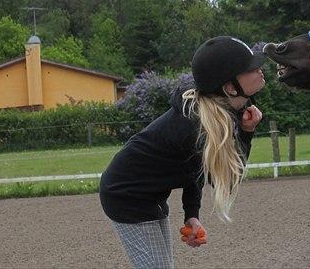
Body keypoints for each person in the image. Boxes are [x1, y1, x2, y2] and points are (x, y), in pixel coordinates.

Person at [100, 36, 266, 268]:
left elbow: (192, 170)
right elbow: (226, 180)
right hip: (126, 196)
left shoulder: (215, 115)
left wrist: (192, 215)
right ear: (230, 87)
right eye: (251, 68)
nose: (260, 69)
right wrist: (248, 133)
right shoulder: (196, 126)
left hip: (148, 195)